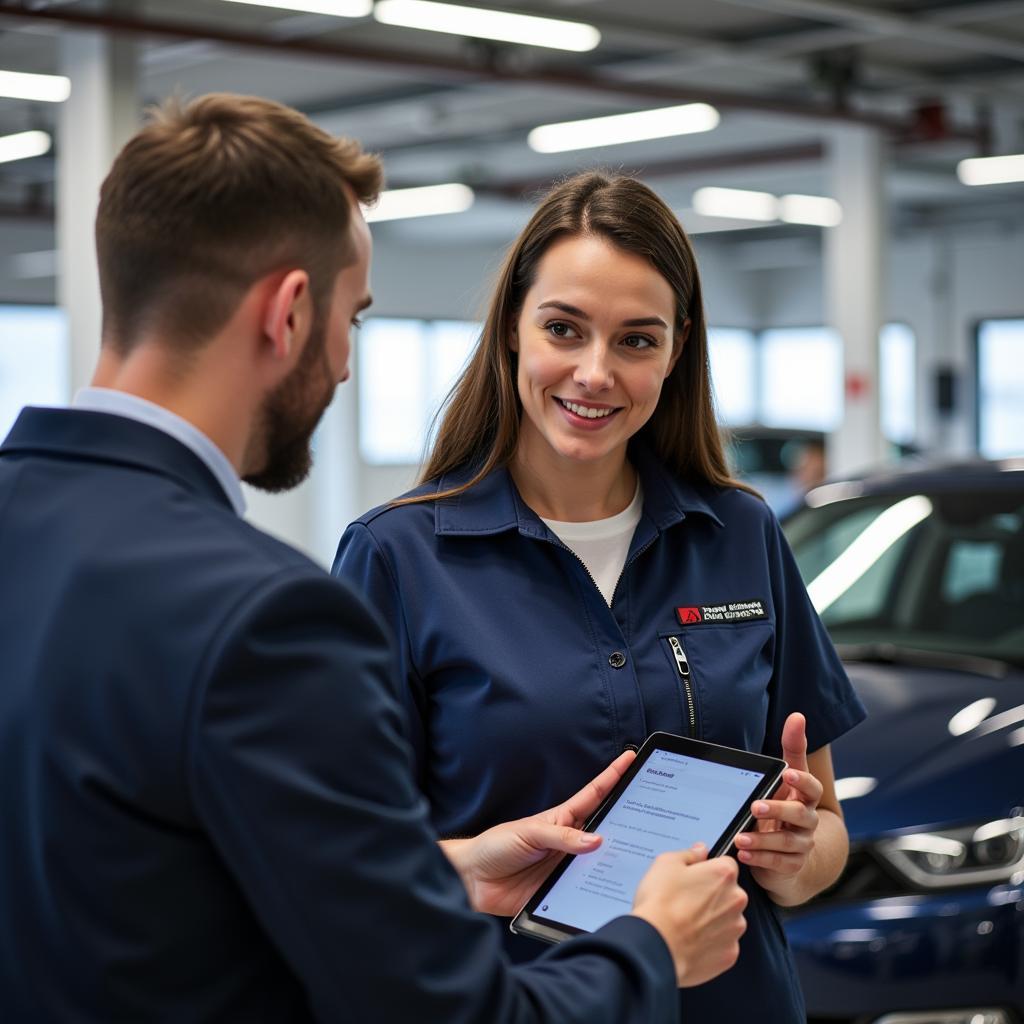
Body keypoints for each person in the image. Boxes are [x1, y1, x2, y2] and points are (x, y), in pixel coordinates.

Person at [0, 99, 750, 1022]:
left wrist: (449, 870)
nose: (350, 365)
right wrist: (650, 948)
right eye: (353, 318)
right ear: (289, 313)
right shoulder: (262, 617)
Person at [334, 172, 868, 1023]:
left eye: (636, 341)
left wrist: (798, 855)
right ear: (513, 326)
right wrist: (469, 860)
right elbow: (334, 864)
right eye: (563, 329)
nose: (595, 373)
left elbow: (827, 839)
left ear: (678, 347)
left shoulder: (741, 534)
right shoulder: (396, 558)